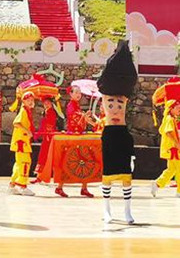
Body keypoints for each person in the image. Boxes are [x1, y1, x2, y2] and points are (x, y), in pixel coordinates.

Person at [97, 41, 138, 224]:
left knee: (126, 177)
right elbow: (104, 81)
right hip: (109, 134)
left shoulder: (124, 96)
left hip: (122, 133)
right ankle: (107, 210)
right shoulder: (105, 93)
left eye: (119, 104)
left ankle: (127, 211)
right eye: (110, 104)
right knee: (107, 176)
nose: (115, 108)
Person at [56, 85, 94, 198]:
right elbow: (74, 118)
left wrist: (86, 117)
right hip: (72, 137)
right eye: (76, 92)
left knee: (84, 161)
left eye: (79, 92)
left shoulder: (77, 106)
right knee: (69, 161)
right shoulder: (70, 106)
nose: (78, 94)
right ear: (71, 94)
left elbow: (80, 119)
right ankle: (59, 187)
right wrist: (84, 116)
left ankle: (84, 188)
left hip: (78, 136)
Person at [151, 99, 180, 198]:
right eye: (178, 108)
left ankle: (158, 183)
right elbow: (168, 132)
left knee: (172, 169)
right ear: (171, 109)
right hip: (173, 149)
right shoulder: (169, 119)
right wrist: (177, 143)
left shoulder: (170, 119)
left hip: (171, 148)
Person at [9, 91, 36, 196]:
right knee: (25, 162)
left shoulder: (27, 111)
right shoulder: (23, 111)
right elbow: (16, 123)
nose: (31, 102)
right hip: (22, 142)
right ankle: (22, 186)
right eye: (28, 100)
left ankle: (12, 184)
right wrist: (27, 131)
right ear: (24, 101)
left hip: (22, 141)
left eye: (32, 100)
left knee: (19, 163)